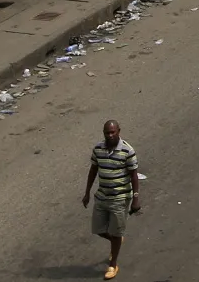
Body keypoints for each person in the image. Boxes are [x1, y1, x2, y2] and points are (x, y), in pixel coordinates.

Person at [82, 119, 138, 280]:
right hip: (102, 196)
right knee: (99, 230)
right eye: (107, 132)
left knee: (114, 233)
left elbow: (134, 175)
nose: (110, 135)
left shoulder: (127, 151)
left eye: (113, 132)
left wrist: (135, 198)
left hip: (120, 198)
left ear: (119, 131)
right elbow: (93, 170)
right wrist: (87, 193)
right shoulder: (98, 149)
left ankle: (113, 264)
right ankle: (117, 239)